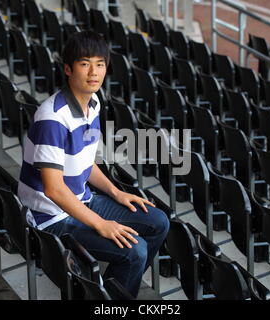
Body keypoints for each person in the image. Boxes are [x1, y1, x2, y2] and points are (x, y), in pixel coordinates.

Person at [18, 31, 169, 298]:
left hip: (80, 200)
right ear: (68, 68)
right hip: (50, 217)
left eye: (100, 64)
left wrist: (116, 192)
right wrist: (101, 223)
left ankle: (105, 293)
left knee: (158, 221)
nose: (93, 72)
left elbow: (85, 161)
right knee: (136, 251)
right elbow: (54, 190)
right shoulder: (52, 118)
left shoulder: (94, 103)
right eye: (85, 63)